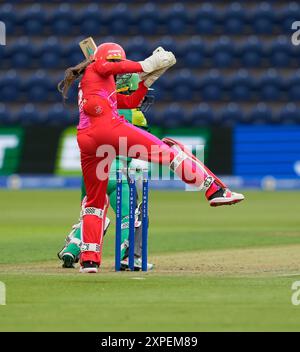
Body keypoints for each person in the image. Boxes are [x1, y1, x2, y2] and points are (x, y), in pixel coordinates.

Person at [58, 43, 244, 273]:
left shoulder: (96, 83)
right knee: (169, 153)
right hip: (108, 128)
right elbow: (124, 66)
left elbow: (129, 102)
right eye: (116, 63)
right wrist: (150, 63)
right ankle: (214, 190)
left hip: (86, 140)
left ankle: (89, 260)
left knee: (95, 201)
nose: (119, 69)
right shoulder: (99, 66)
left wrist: (149, 79)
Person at [58, 73, 154, 271]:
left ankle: (74, 247)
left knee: (92, 213)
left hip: (91, 173)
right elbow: (143, 144)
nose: (142, 99)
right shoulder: (136, 115)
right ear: (128, 90)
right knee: (129, 218)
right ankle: (128, 258)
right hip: (118, 173)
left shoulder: (97, 108)